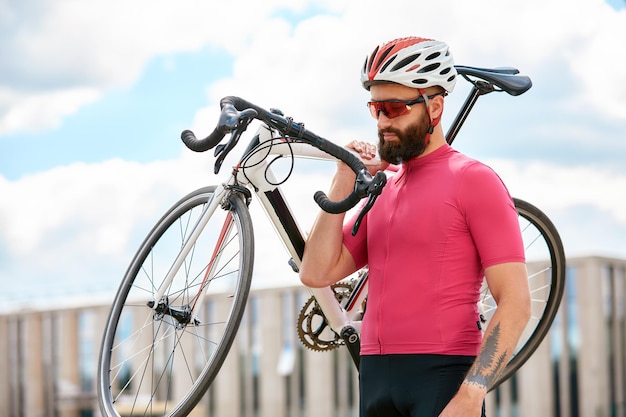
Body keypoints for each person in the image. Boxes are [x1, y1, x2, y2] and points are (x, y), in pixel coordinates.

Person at [299, 36, 531, 417]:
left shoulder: (474, 180)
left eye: (394, 107)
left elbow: (516, 301)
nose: (383, 121)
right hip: (374, 375)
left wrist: (472, 393)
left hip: (442, 376)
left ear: (435, 108)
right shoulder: (383, 191)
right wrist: (343, 177)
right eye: (375, 108)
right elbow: (316, 271)